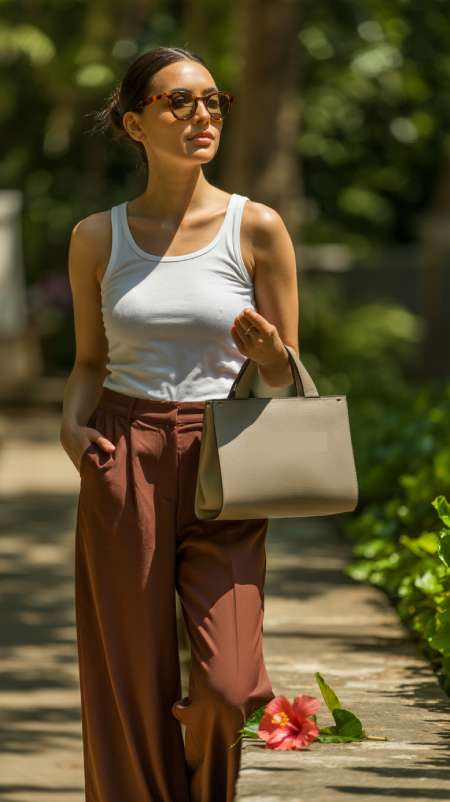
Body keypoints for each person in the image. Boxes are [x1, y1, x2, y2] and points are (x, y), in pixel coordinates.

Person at [60, 45, 299, 802]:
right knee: (129, 680)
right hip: (121, 450)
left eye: (213, 101)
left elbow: (287, 380)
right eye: (181, 102)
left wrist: (271, 356)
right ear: (135, 124)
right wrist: (72, 427)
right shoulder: (97, 238)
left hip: (225, 456)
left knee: (228, 686)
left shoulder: (257, 228)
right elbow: (89, 361)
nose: (204, 114)